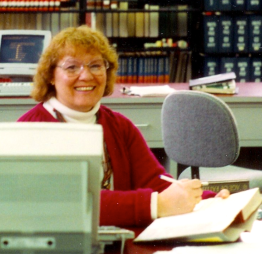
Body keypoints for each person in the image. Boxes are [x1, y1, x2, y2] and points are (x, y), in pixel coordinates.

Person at [18, 25, 228, 227]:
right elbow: (68, 205)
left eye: (95, 65)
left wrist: (206, 201)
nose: (86, 76)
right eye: (72, 67)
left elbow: (156, 183)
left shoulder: (120, 126)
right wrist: (156, 205)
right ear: (50, 76)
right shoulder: (29, 130)